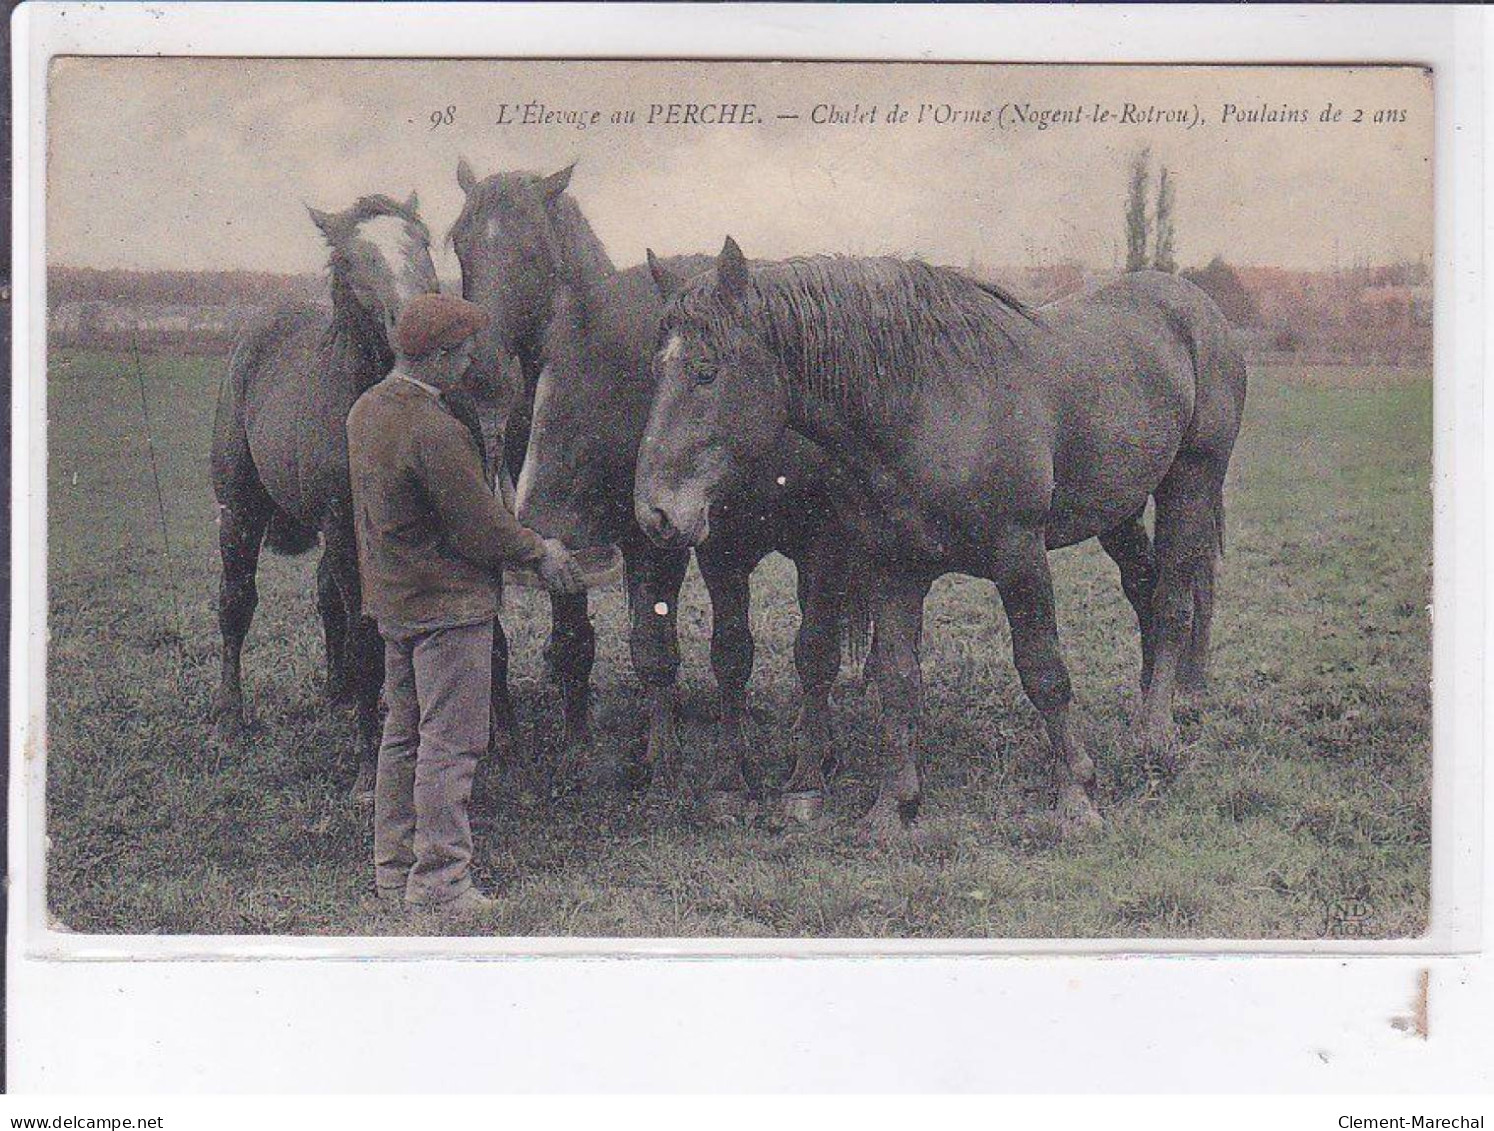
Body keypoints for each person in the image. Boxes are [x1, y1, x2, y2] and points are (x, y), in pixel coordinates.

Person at [347, 293, 585, 918]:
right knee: (451, 746)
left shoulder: (367, 411)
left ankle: (394, 872)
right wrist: (542, 550)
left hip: (394, 603)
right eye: (466, 352)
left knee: (402, 736)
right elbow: (482, 528)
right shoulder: (435, 429)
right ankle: (442, 885)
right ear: (442, 356)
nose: (472, 362)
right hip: (448, 608)